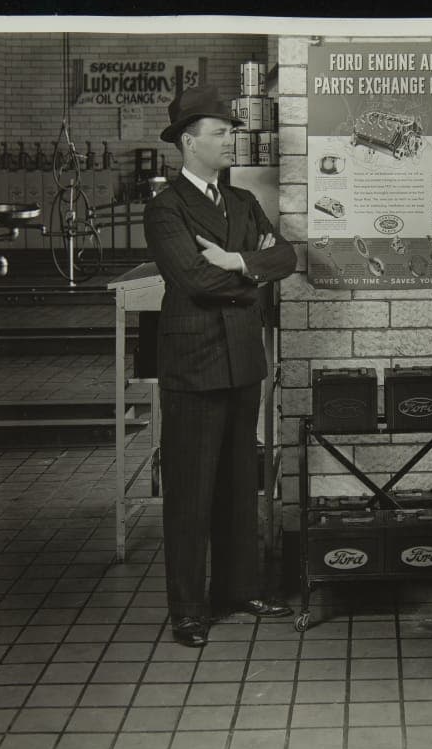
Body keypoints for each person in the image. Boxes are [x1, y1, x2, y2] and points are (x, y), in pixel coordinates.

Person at [144, 85, 295, 648]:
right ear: (188, 142)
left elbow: (285, 255)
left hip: (242, 362)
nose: (231, 139)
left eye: (231, 130)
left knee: (238, 483)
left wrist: (238, 263)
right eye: (220, 132)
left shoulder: (240, 204)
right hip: (194, 365)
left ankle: (239, 589)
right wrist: (250, 282)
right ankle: (188, 607)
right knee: (189, 490)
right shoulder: (165, 208)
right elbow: (193, 280)